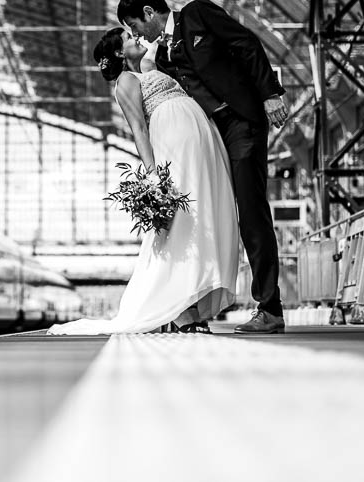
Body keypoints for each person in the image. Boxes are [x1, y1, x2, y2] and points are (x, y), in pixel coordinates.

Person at [117, 0, 288, 334]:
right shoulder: (161, 58)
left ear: (150, 13)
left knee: (251, 208)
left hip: (242, 121)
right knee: (219, 210)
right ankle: (192, 300)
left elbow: (246, 43)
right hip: (214, 136)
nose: (136, 34)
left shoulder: (197, 15)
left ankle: (270, 307)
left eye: (135, 27)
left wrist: (270, 93)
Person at [47, 29, 239, 335]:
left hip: (201, 145)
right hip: (174, 150)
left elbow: (153, 50)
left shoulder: (150, 68)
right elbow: (138, 127)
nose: (137, 38)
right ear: (120, 53)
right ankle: (181, 310)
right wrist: (152, 174)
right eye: (128, 37)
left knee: (204, 217)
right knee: (184, 223)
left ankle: (188, 301)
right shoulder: (125, 82)